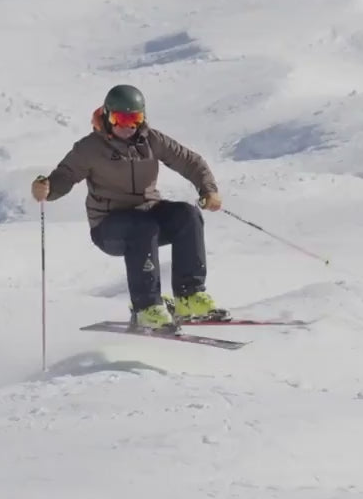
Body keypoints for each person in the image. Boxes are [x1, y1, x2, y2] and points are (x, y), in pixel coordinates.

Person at [30, 84, 227, 330]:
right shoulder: (90, 148)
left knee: (187, 215)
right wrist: (48, 188)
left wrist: (208, 190)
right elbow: (65, 175)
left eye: (134, 119)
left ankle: (189, 295)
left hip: (148, 216)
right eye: (119, 119)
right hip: (109, 226)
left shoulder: (152, 140)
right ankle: (147, 307)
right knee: (142, 227)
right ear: (107, 116)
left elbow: (190, 162)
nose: (127, 126)